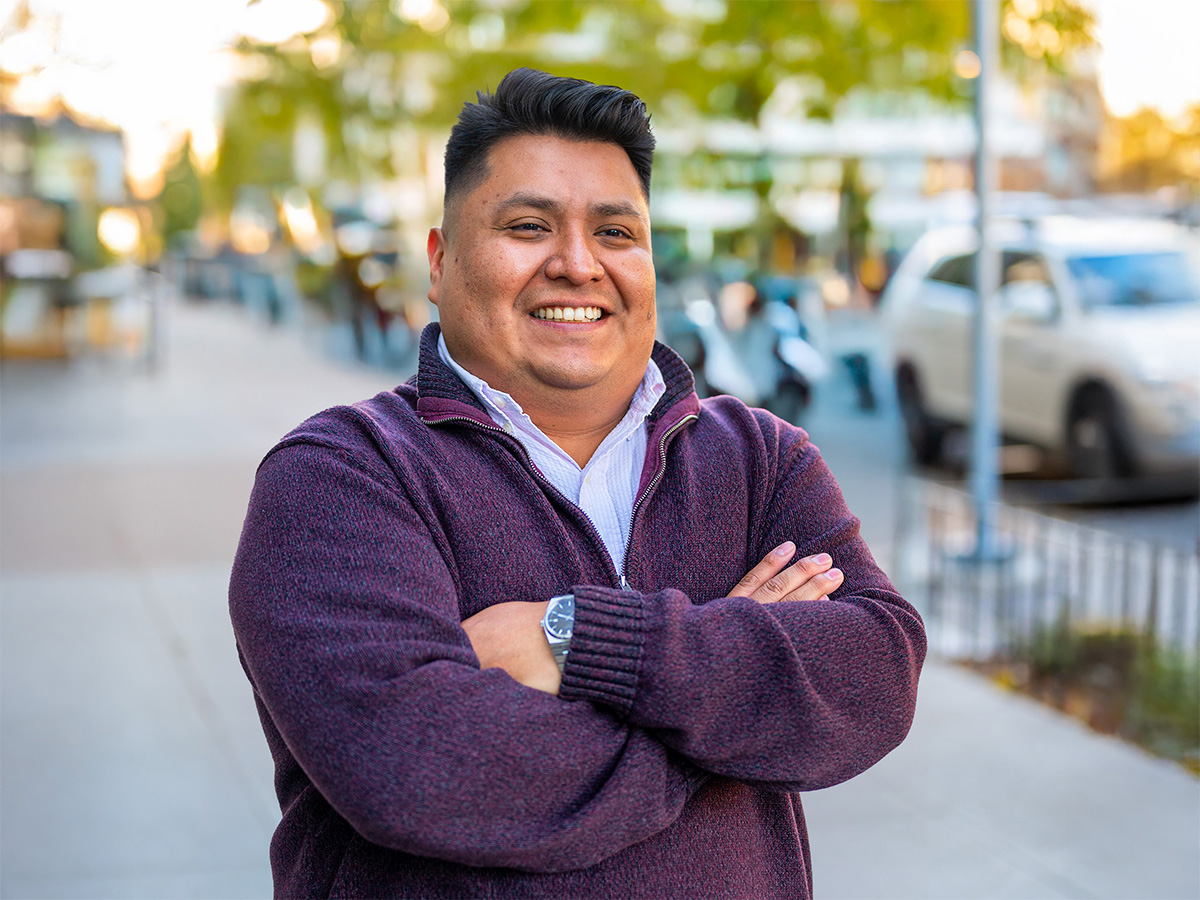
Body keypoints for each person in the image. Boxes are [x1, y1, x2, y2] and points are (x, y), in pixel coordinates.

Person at [229, 67, 925, 899]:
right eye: (528, 226)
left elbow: (876, 675)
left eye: (615, 232)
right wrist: (729, 708)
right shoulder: (339, 477)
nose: (577, 264)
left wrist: (576, 638)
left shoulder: (759, 457)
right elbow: (418, 771)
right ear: (440, 262)